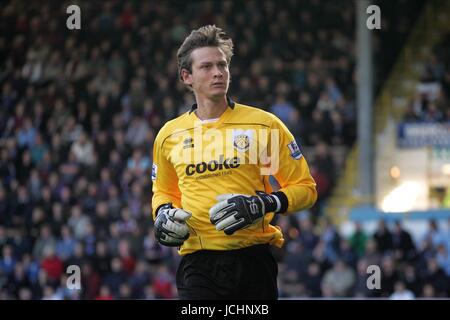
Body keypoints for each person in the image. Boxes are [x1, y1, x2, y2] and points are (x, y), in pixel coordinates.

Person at [151, 25, 317, 300]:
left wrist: (264, 203)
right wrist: (163, 213)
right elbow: (164, 192)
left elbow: (304, 189)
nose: (218, 72)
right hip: (199, 263)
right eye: (206, 66)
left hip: (254, 260)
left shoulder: (262, 126)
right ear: (186, 76)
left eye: (222, 65)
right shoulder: (170, 135)